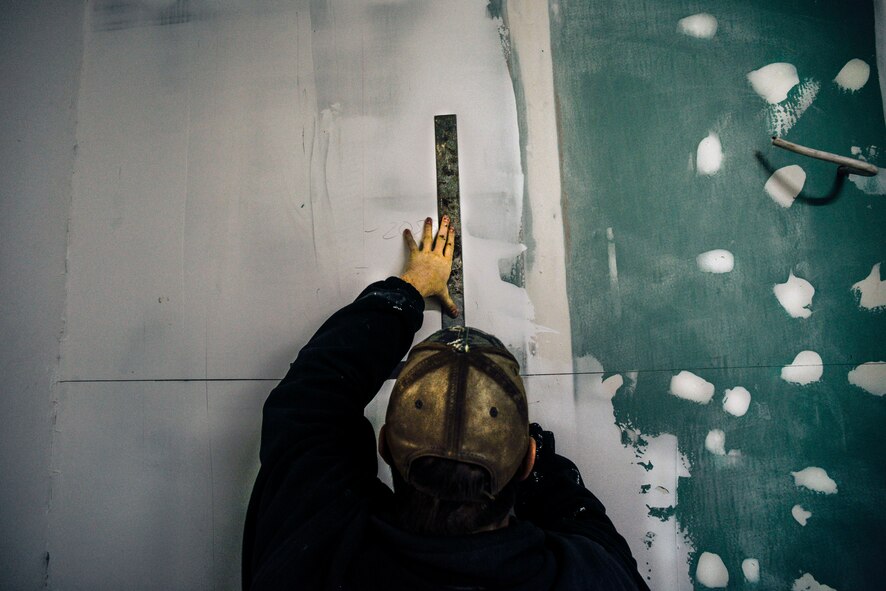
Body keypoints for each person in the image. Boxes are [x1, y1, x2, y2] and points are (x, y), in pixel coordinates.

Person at [242, 216, 650, 590]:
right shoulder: (592, 577)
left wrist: (407, 290)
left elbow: (311, 401)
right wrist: (539, 458)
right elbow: (578, 515)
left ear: (384, 445)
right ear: (526, 462)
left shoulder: (317, 550)